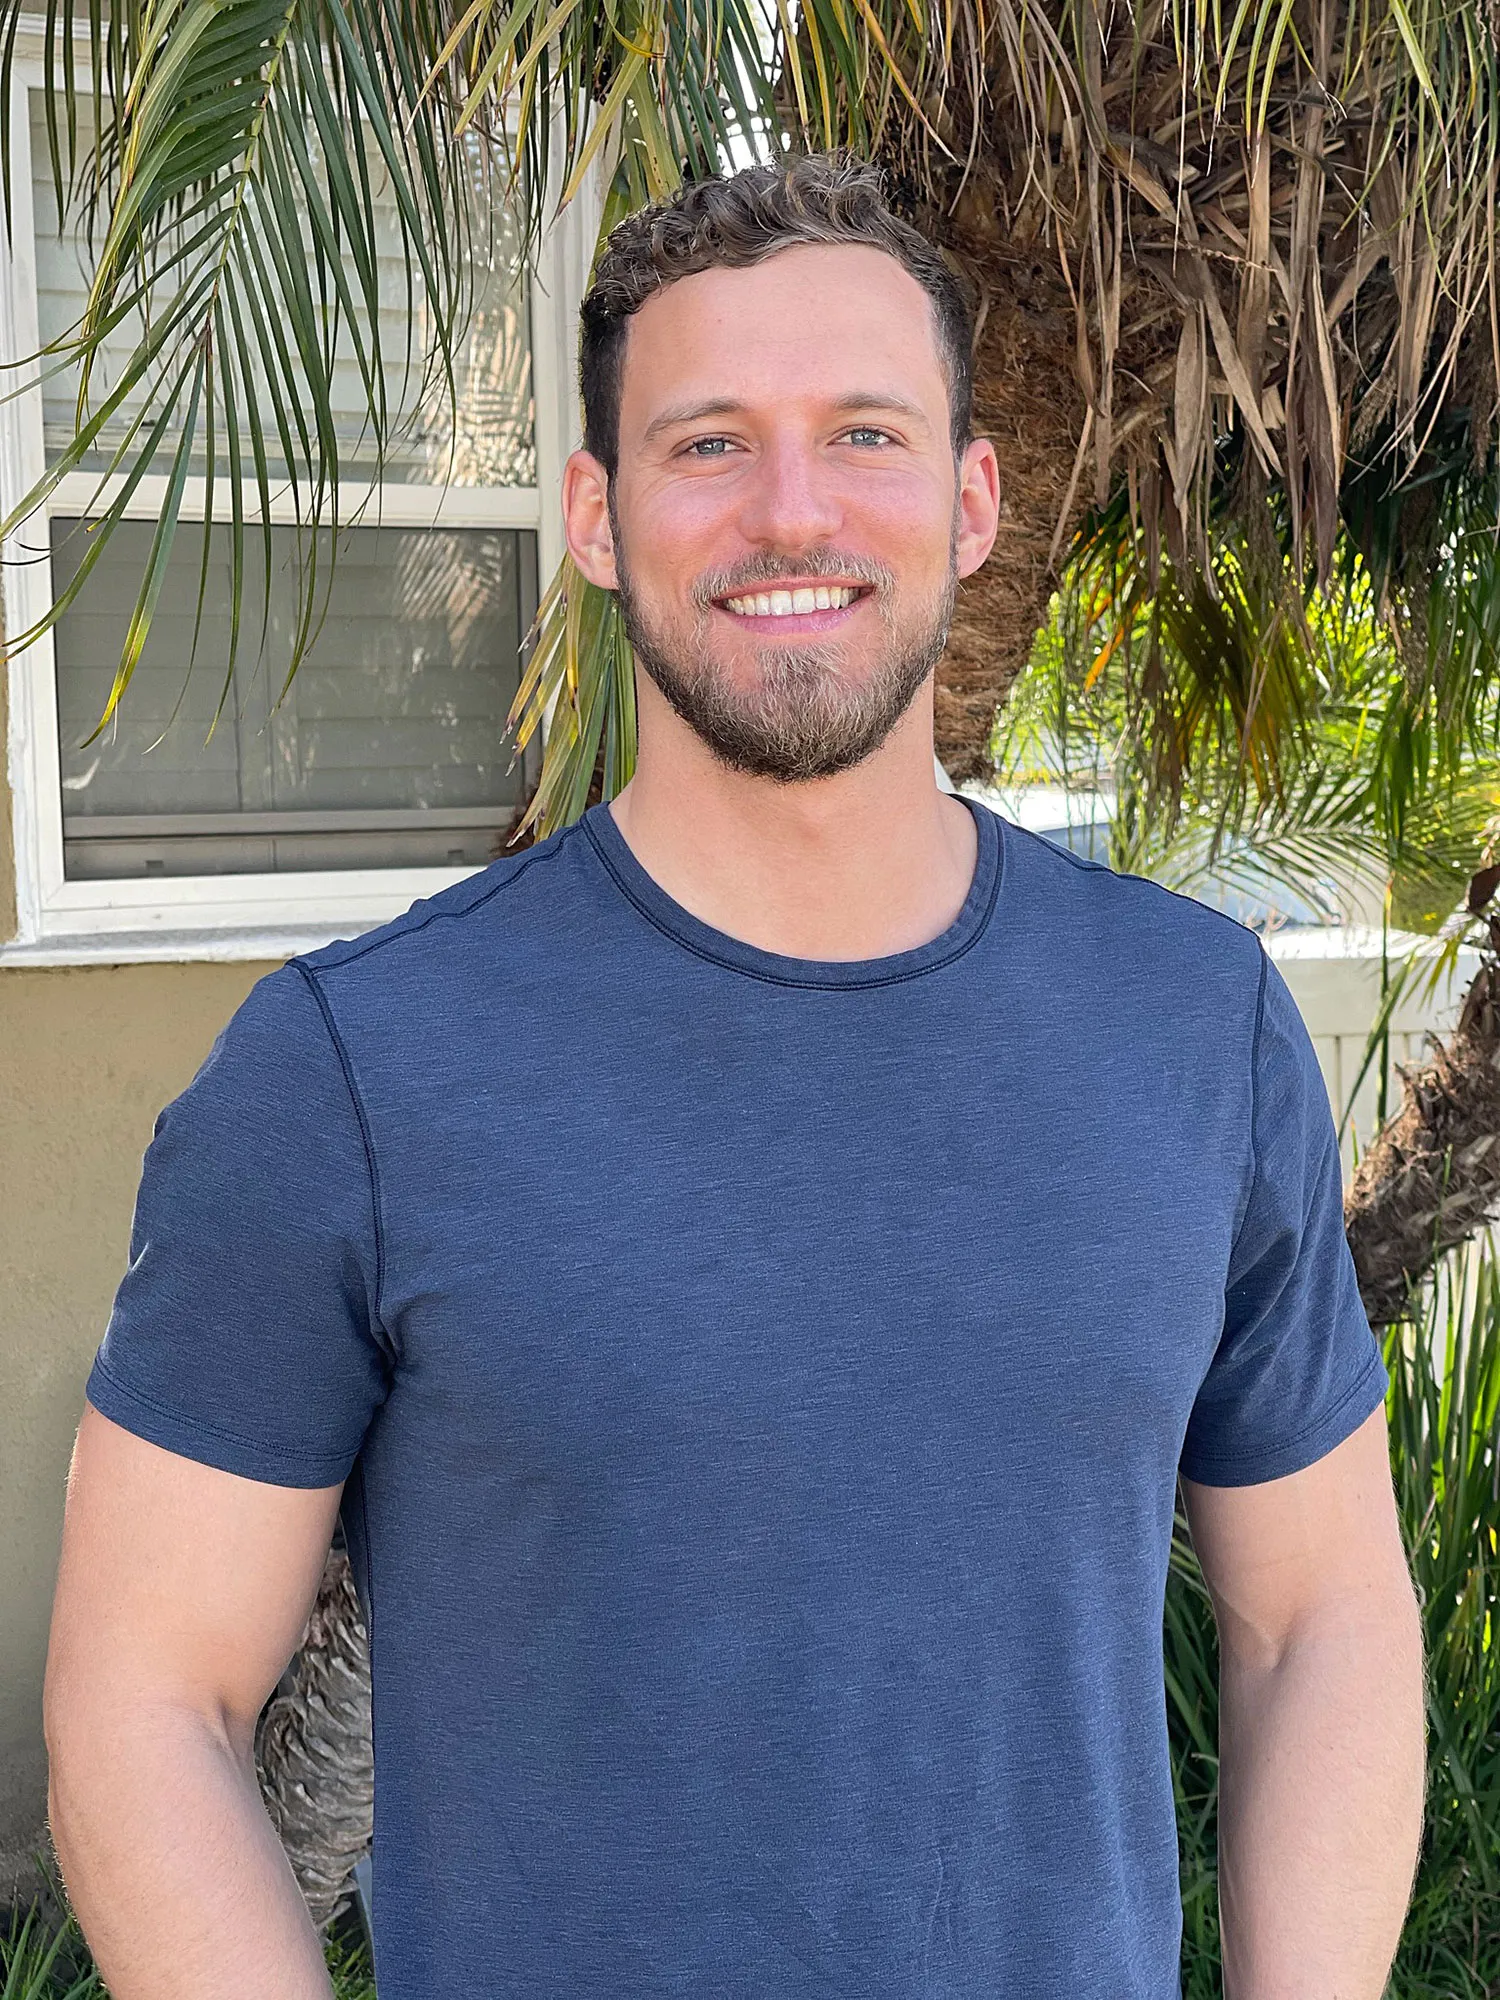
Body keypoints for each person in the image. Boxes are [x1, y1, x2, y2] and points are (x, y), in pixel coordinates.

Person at [44, 155, 1425, 2000]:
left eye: (864, 434)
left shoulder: (1194, 1026)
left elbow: (1320, 1618)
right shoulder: (353, 1073)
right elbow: (146, 1699)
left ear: (971, 500)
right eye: (708, 446)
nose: (792, 512)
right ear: (597, 518)